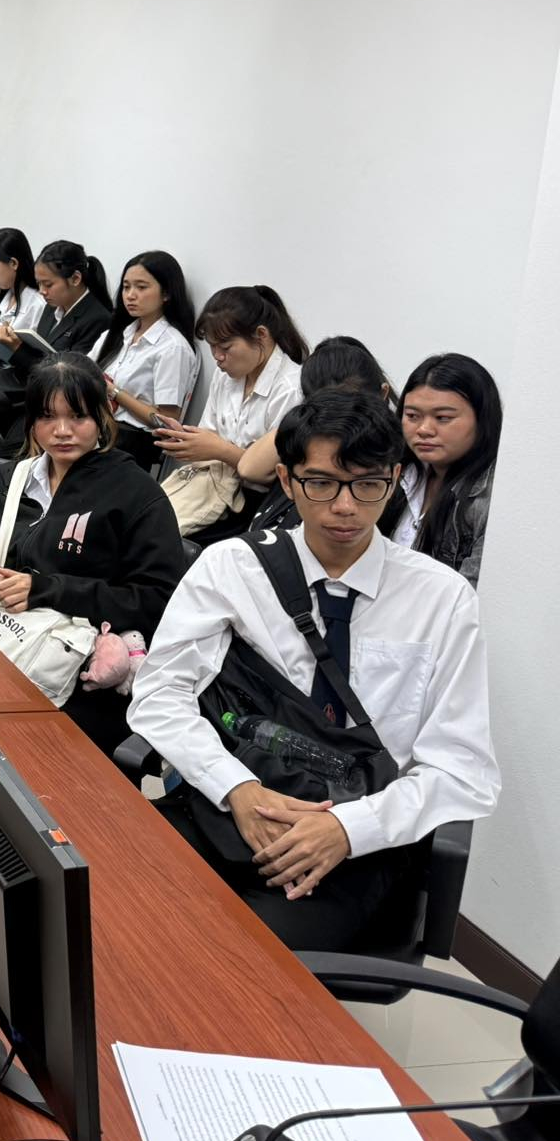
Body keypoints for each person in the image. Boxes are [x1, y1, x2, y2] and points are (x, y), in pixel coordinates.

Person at [129, 387, 498, 950]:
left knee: (241, 964)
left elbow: (461, 767)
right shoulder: (233, 567)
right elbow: (161, 692)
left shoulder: (441, 599)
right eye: (321, 483)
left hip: (352, 843)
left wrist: (348, 829)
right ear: (285, 479)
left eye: (368, 484)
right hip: (232, 806)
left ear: (396, 478)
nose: (345, 507)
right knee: (113, 906)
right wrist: (236, 788)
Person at [0, 354, 187, 753]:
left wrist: (48, 590)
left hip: (83, 677)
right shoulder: (8, 479)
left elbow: (157, 601)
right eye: (47, 417)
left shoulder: (136, 495)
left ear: (103, 413)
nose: (62, 431)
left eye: (78, 416)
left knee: (12, 752)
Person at [156, 286, 308, 541]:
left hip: (254, 505)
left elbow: (269, 475)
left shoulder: (291, 390)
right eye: (212, 347)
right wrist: (187, 439)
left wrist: (219, 449)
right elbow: (210, 434)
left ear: (261, 335)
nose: (217, 357)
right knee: (146, 522)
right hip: (212, 487)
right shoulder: (226, 376)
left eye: (225, 347)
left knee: (165, 540)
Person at [0, 239, 113, 438]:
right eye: (39, 284)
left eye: (48, 284)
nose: (42, 291)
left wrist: (17, 348)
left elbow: (67, 378)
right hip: (21, 380)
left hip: (44, 398)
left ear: (75, 279)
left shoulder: (97, 319)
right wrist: (8, 345)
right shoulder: (52, 307)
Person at [239, 335, 396, 496]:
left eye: (351, 405)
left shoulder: (388, 445)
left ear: (382, 394)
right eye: (325, 404)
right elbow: (248, 469)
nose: (339, 417)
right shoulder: (309, 427)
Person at [394, 354, 502, 586]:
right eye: (412, 416)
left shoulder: (493, 500)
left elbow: (472, 596)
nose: (424, 429)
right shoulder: (392, 474)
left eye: (442, 418)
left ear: (482, 420)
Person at [89, 249, 198, 471]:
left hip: (133, 440)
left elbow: (166, 420)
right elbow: (86, 368)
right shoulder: (118, 334)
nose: (130, 295)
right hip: (100, 424)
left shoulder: (173, 347)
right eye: (126, 287)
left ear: (166, 294)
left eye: (141, 287)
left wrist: (114, 391)